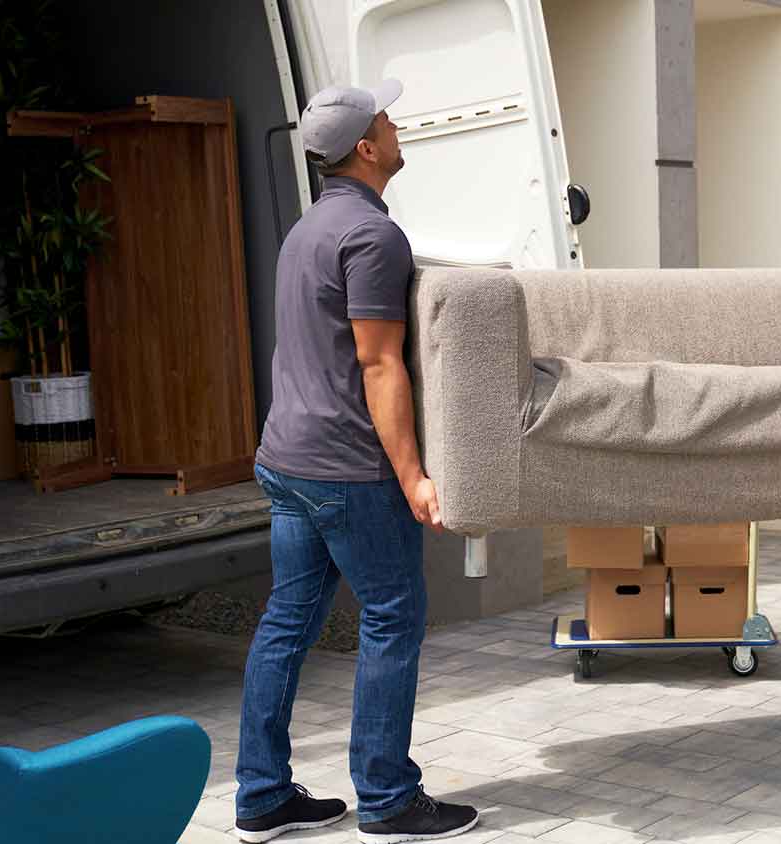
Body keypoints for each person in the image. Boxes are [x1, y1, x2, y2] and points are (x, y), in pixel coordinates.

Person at [234, 80, 479, 843]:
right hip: (346, 470)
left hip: (288, 459)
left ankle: (262, 795)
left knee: (288, 622)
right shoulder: (374, 238)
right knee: (393, 614)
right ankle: (386, 796)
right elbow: (379, 365)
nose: (398, 123)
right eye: (387, 118)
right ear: (366, 149)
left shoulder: (308, 229)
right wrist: (413, 477)